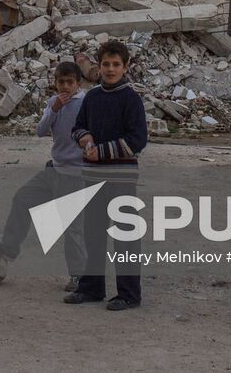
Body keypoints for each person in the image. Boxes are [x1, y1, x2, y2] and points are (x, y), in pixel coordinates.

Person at [0, 61, 87, 288]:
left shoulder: (86, 103)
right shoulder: (53, 103)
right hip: (54, 169)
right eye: (61, 82)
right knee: (23, 198)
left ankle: (79, 275)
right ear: (55, 82)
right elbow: (40, 131)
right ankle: (9, 247)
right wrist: (54, 109)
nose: (65, 87)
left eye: (70, 82)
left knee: (71, 226)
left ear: (79, 84)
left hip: (74, 174)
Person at [66, 40, 148, 311]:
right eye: (106, 64)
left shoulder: (131, 99)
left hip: (121, 178)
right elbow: (78, 127)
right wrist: (84, 138)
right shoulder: (92, 97)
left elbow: (137, 140)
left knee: (125, 236)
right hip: (92, 177)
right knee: (93, 233)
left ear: (125, 67)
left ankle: (129, 294)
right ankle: (91, 288)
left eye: (116, 65)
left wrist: (100, 152)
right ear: (98, 67)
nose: (110, 69)